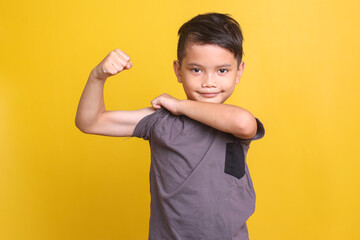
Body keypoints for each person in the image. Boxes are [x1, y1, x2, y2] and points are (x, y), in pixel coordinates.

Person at [75, 12, 265, 240]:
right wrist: (97, 77)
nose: (209, 82)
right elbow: (90, 122)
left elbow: (244, 123)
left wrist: (180, 105)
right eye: (196, 69)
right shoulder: (160, 121)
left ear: (239, 72)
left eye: (222, 70)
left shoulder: (231, 122)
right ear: (178, 70)